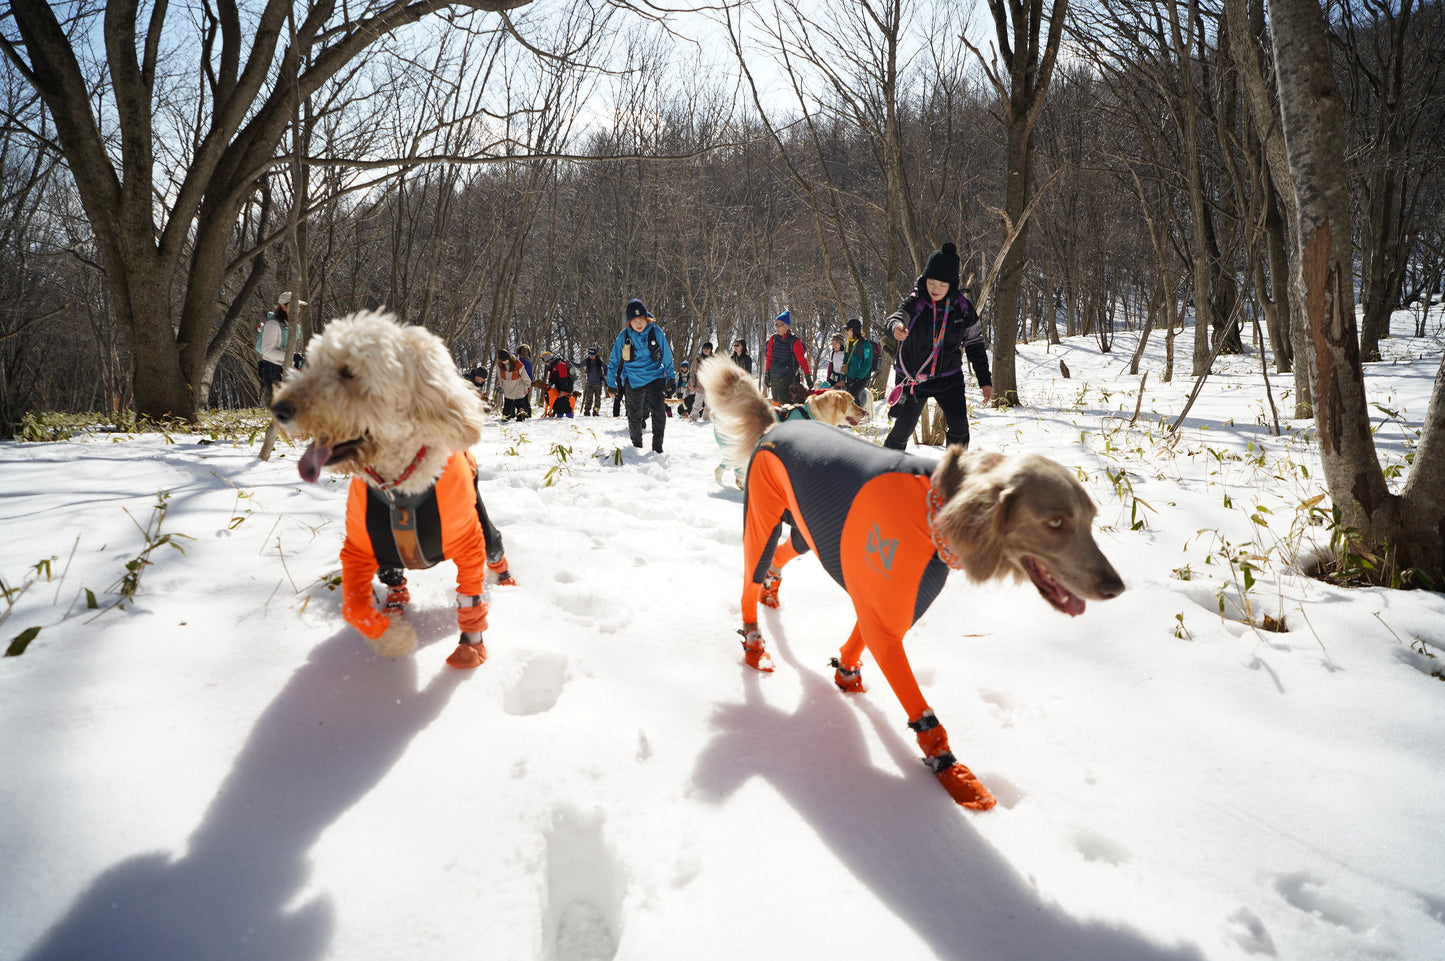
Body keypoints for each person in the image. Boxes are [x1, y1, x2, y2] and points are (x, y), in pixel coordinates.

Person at [882, 242, 993, 451]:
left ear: (951, 284)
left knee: (960, 428)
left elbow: (975, 344)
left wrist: (985, 381)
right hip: (914, 378)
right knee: (902, 430)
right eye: (932, 282)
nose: (936, 289)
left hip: (948, 378)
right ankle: (885, 472)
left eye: (942, 285)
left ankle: (954, 475)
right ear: (925, 279)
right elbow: (897, 316)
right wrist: (896, 327)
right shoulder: (915, 302)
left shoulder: (962, 308)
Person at [606, 298, 676, 453]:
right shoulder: (623, 336)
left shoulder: (655, 331)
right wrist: (611, 383)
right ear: (629, 321)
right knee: (635, 414)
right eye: (635, 320)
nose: (639, 323)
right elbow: (614, 360)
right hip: (633, 378)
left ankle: (657, 447)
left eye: (641, 320)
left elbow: (666, 355)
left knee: (658, 411)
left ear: (647, 319)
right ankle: (636, 446)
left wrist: (671, 377)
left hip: (655, 376)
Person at [257, 292, 297, 403]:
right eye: (294, 306)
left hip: (282, 368)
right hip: (272, 369)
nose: (297, 310)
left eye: (298, 307)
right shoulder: (272, 325)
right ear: (283, 307)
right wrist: (292, 356)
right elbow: (267, 352)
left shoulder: (288, 326)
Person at [763, 310, 810, 403]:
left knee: (786, 402)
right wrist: (767, 373)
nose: (777, 327)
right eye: (775, 324)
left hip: (788, 377)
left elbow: (802, 360)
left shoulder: (795, 341)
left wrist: (808, 376)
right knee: (776, 401)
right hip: (774, 375)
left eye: (779, 324)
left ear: (787, 326)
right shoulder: (773, 339)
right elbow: (769, 358)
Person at [841, 318, 876, 406]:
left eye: (848, 330)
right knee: (849, 398)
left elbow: (867, 363)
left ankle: (857, 417)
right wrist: (842, 378)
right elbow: (845, 361)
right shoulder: (847, 343)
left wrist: (859, 378)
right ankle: (854, 417)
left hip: (862, 377)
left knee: (853, 397)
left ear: (855, 330)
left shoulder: (865, 344)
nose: (845, 332)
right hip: (850, 376)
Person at [495, 348, 530, 420]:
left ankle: (521, 425)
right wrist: (500, 385)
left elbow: (525, 378)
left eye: (505, 360)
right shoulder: (499, 365)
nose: (504, 363)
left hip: (519, 392)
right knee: (505, 417)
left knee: (520, 415)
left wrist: (526, 387)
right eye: (502, 361)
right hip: (508, 393)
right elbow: (500, 377)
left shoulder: (518, 364)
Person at [686, 341, 715, 421]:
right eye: (704, 348)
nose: (705, 350)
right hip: (699, 385)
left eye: (708, 348)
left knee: (709, 404)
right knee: (697, 403)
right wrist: (693, 384)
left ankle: (706, 419)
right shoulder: (697, 359)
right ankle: (693, 418)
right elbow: (692, 372)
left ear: (711, 350)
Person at [581, 345, 606, 415]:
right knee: (588, 399)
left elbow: (605, 367)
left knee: (597, 399)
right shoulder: (587, 361)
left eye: (593, 355)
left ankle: (596, 411)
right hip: (590, 384)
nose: (591, 357)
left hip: (598, 383)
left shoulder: (599, 361)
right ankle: (587, 411)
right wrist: (572, 362)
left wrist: (604, 375)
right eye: (590, 355)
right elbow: (579, 365)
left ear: (596, 354)